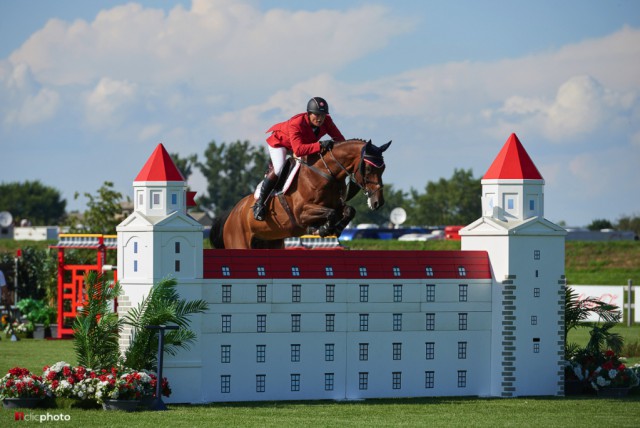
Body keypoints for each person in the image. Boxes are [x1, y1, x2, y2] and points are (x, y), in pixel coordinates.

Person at [253, 96, 346, 221]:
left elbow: (340, 140)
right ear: (308, 114)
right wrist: (320, 145)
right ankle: (260, 203)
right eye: (317, 115)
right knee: (279, 168)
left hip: (302, 144)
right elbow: (299, 150)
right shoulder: (296, 123)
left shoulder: (327, 121)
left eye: (323, 115)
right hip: (280, 143)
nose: (320, 119)